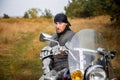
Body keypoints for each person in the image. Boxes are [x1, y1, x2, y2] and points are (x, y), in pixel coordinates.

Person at [40, 13, 75, 80]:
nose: (57, 26)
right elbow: (49, 52)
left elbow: (76, 50)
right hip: (54, 69)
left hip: (68, 69)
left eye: (60, 23)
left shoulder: (72, 35)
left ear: (66, 24)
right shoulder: (54, 36)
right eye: (56, 23)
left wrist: (63, 49)